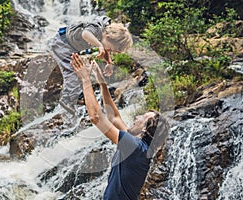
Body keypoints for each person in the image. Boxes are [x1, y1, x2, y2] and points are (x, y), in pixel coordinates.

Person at [70, 53, 170, 199]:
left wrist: (85, 79)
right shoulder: (138, 147)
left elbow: (96, 117)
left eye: (142, 118)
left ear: (145, 129)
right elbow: (114, 117)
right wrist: (102, 82)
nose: (137, 117)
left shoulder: (135, 147)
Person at [50, 15, 133, 115]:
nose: (109, 51)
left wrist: (109, 62)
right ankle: (68, 100)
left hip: (71, 47)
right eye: (111, 49)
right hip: (62, 43)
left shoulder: (104, 38)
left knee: (79, 70)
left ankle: (70, 98)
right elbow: (85, 33)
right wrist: (99, 45)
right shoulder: (96, 28)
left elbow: (105, 48)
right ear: (108, 37)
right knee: (71, 71)